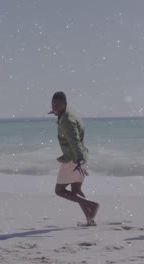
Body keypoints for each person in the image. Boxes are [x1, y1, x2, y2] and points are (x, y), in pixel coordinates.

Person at [48, 91, 99, 226]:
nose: (54, 107)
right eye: (53, 104)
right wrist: (57, 112)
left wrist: (80, 161)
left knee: (59, 191)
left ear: (65, 104)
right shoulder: (69, 115)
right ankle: (90, 218)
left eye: (58, 105)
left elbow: (75, 141)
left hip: (74, 160)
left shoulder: (68, 122)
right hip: (80, 158)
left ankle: (91, 205)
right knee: (76, 191)